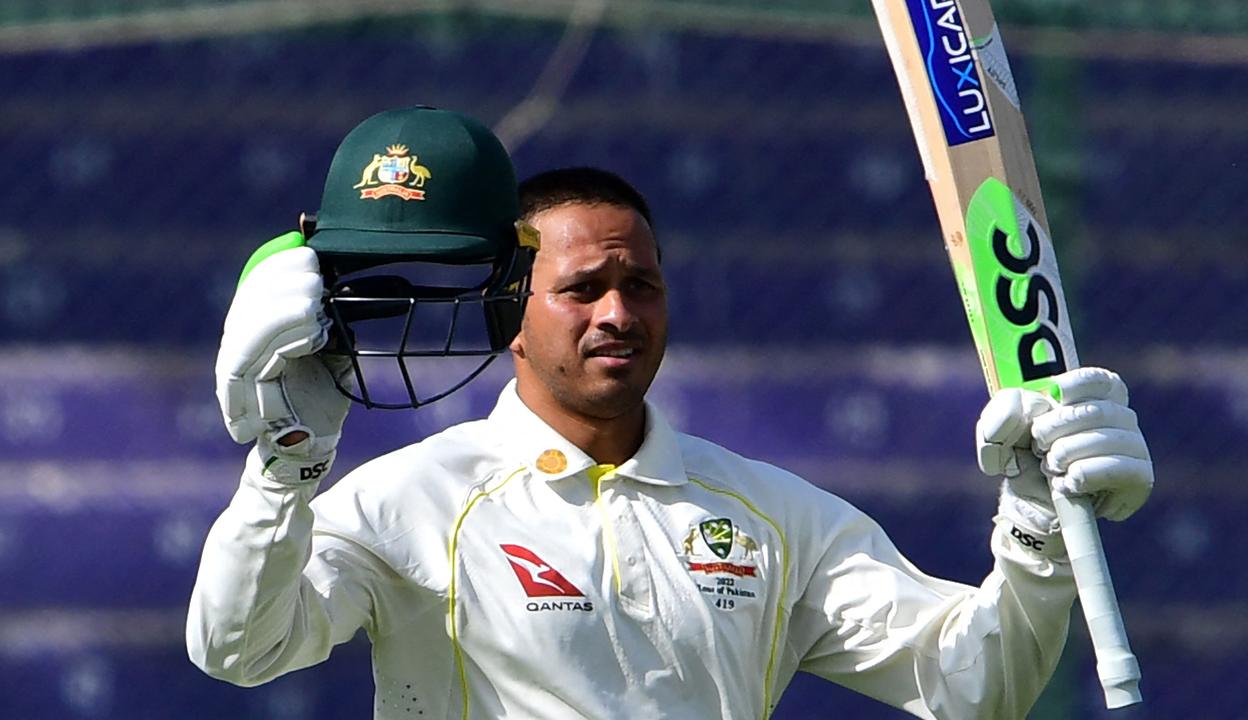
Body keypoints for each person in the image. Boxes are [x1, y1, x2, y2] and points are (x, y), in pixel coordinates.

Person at [188, 109, 1155, 719]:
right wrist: (284, 465)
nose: (618, 312)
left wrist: (1034, 527)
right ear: (507, 313)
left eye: (640, 284)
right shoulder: (410, 499)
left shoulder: (771, 512)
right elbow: (240, 648)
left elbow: (973, 686)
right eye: (584, 288)